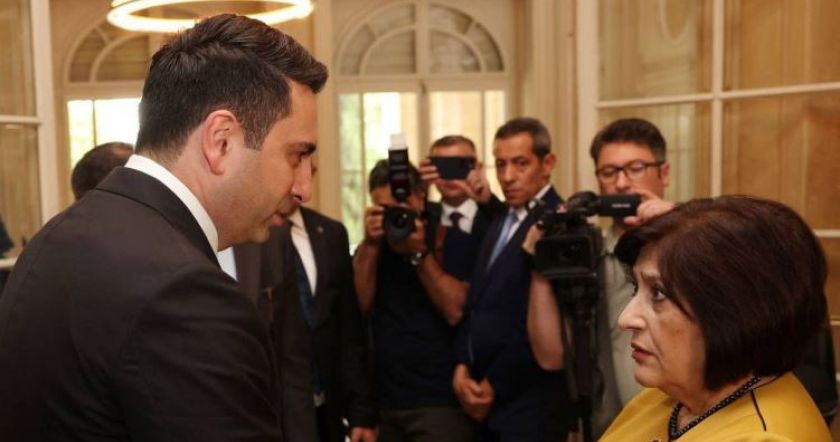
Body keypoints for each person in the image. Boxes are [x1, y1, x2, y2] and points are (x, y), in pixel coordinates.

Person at [0, 13, 327, 441]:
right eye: (296, 155)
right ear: (221, 140)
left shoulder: (60, 235)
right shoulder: (185, 292)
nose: (303, 189)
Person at [600, 195, 832, 441]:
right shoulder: (672, 393)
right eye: (637, 289)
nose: (625, 319)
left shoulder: (760, 438)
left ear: (735, 313)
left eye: (658, 293)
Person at [525, 118, 674, 436]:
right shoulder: (588, 255)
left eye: (635, 168)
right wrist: (540, 265)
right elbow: (551, 356)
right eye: (608, 172)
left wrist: (678, 227)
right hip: (605, 428)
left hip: (678, 424)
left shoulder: (693, 245)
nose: (621, 183)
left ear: (664, 173)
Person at [453, 117, 572, 441]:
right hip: (485, 401)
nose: (507, 177)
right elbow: (477, 303)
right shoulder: (503, 216)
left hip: (529, 405)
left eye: (520, 164)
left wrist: (493, 384)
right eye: (500, 164)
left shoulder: (559, 223)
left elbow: (542, 324)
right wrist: (462, 365)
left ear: (547, 164)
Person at [353, 159, 474, 442]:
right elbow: (358, 306)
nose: (395, 216)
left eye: (401, 207)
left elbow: (456, 310)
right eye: (385, 209)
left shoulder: (449, 236)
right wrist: (370, 245)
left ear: (421, 197)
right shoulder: (374, 247)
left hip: (440, 403)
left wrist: (418, 253)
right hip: (387, 404)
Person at [255, 174, 377, 442]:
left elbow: (349, 329)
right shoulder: (250, 237)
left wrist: (361, 412)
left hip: (328, 406)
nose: (298, 184)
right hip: (275, 408)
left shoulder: (331, 234)